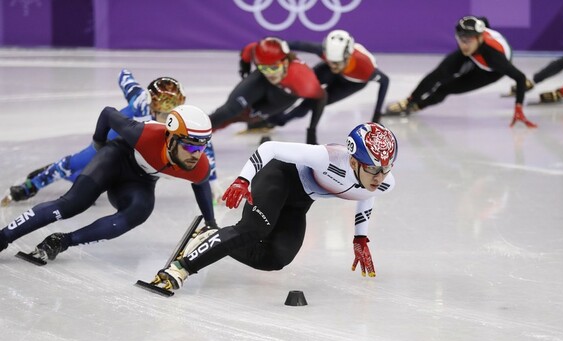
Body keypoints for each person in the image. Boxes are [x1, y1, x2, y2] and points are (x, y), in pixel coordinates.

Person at [149, 122, 398, 292]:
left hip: (299, 202)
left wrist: (360, 236)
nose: (380, 177)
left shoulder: (383, 183)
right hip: (279, 176)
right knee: (253, 229)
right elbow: (270, 148)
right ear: (353, 161)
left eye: (386, 169)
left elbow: (366, 193)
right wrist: (243, 179)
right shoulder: (327, 157)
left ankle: (209, 236)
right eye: (373, 169)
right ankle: (181, 268)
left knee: (276, 258)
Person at [0, 105, 217, 262]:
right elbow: (107, 113)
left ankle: (63, 241)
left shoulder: (199, 166)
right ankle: (4, 236)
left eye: (202, 147)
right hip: (115, 158)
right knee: (72, 204)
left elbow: (201, 184)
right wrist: (98, 144)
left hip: (138, 182)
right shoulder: (144, 135)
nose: (196, 155)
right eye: (189, 146)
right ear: (170, 139)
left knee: (139, 212)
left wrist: (211, 222)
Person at [1, 70, 221, 206]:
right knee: (73, 164)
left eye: (174, 110)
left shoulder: (180, 120)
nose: (168, 117)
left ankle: (57, 175)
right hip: (111, 138)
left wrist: (213, 182)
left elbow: (202, 148)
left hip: (134, 149)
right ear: (152, 105)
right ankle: (30, 186)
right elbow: (124, 76)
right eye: (163, 113)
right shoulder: (139, 101)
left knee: (83, 177)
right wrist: (138, 90)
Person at [384, 16, 536, 128]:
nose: (463, 44)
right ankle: (410, 101)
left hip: (490, 71)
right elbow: (482, 21)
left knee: (446, 88)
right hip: (474, 55)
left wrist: (518, 108)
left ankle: (418, 106)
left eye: (468, 40)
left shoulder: (494, 57)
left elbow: (520, 77)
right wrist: (410, 99)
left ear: (479, 38)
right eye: (460, 39)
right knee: (439, 74)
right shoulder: (469, 46)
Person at [257, 29, 389, 127]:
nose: (333, 65)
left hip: (352, 83)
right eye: (330, 60)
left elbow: (385, 81)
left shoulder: (365, 68)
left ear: (348, 56)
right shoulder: (328, 54)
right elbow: (297, 45)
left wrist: (377, 115)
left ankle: (278, 121)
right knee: (299, 87)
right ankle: (268, 114)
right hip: (329, 73)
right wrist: (270, 45)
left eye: (336, 63)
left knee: (311, 104)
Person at [209, 37, 327, 144]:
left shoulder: (304, 80)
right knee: (230, 109)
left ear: (285, 62)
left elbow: (322, 97)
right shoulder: (258, 54)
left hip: (285, 95)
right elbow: (248, 49)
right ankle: (198, 132)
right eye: (263, 67)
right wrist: (244, 65)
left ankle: (258, 121)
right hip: (262, 81)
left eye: (274, 68)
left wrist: (311, 131)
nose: (269, 73)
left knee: (245, 116)